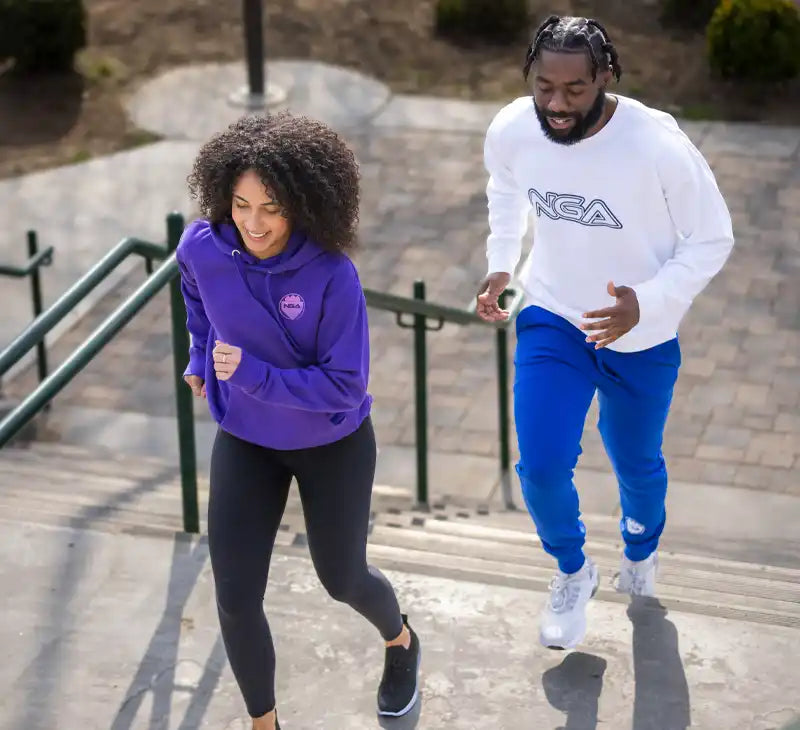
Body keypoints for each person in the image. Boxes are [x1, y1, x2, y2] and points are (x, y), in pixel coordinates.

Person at [476, 15, 734, 650]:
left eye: (574, 90)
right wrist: (502, 263)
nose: (556, 105)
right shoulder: (514, 127)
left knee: (636, 463)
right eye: (544, 88)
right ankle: (572, 571)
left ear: (606, 77)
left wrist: (645, 303)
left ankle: (641, 551)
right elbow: (505, 190)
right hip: (554, 318)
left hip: (640, 338)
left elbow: (713, 238)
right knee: (538, 467)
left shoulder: (656, 146)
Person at [176, 113, 421, 729]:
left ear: (304, 206)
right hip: (246, 440)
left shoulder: (333, 277)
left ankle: (400, 641)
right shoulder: (202, 247)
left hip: (330, 441)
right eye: (240, 205)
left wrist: (251, 373)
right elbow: (196, 297)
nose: (253, 224)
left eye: (271, 208)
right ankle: (266, 724)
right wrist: (199, 356)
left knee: (342, 579)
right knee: (233, 597)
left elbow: (345, 385)